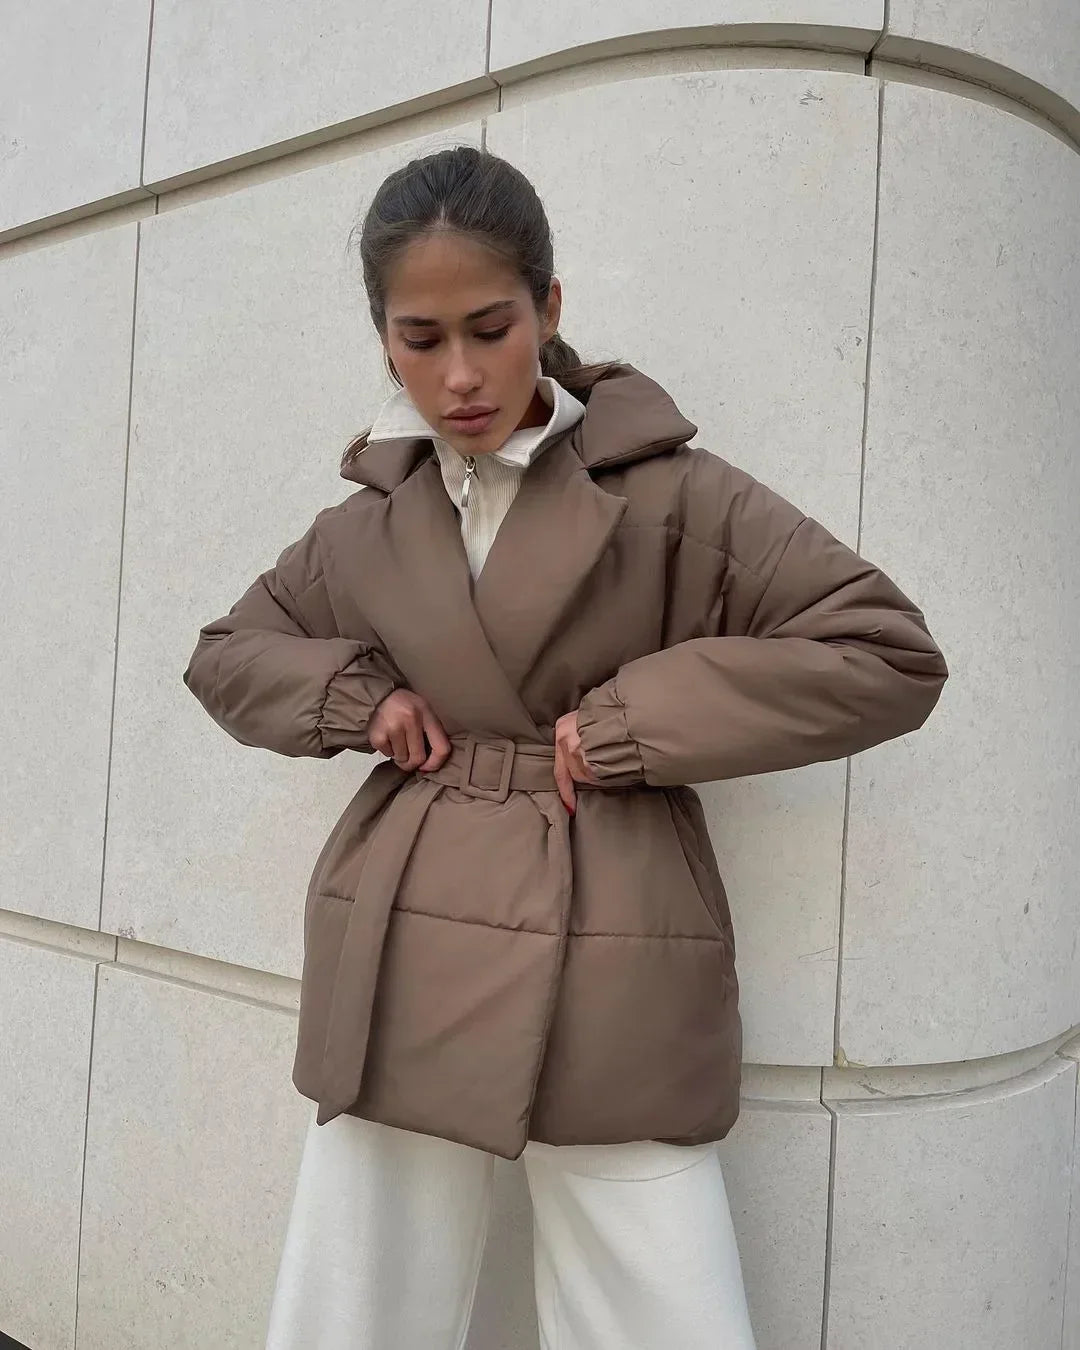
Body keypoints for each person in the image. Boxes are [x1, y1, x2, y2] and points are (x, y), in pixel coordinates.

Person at [182, 145, 948, 1350]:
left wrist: (644, 720)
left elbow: (885, 650)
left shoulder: (674, 495)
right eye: (420, 339)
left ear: (548, 306)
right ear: (384, 341)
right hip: (405, 924)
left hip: (613, 923)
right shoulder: (369, 520)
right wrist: (353, 698)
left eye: (491, 328)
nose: (460, 374)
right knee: (360, 1296)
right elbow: (229, 653)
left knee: (656, 1301)